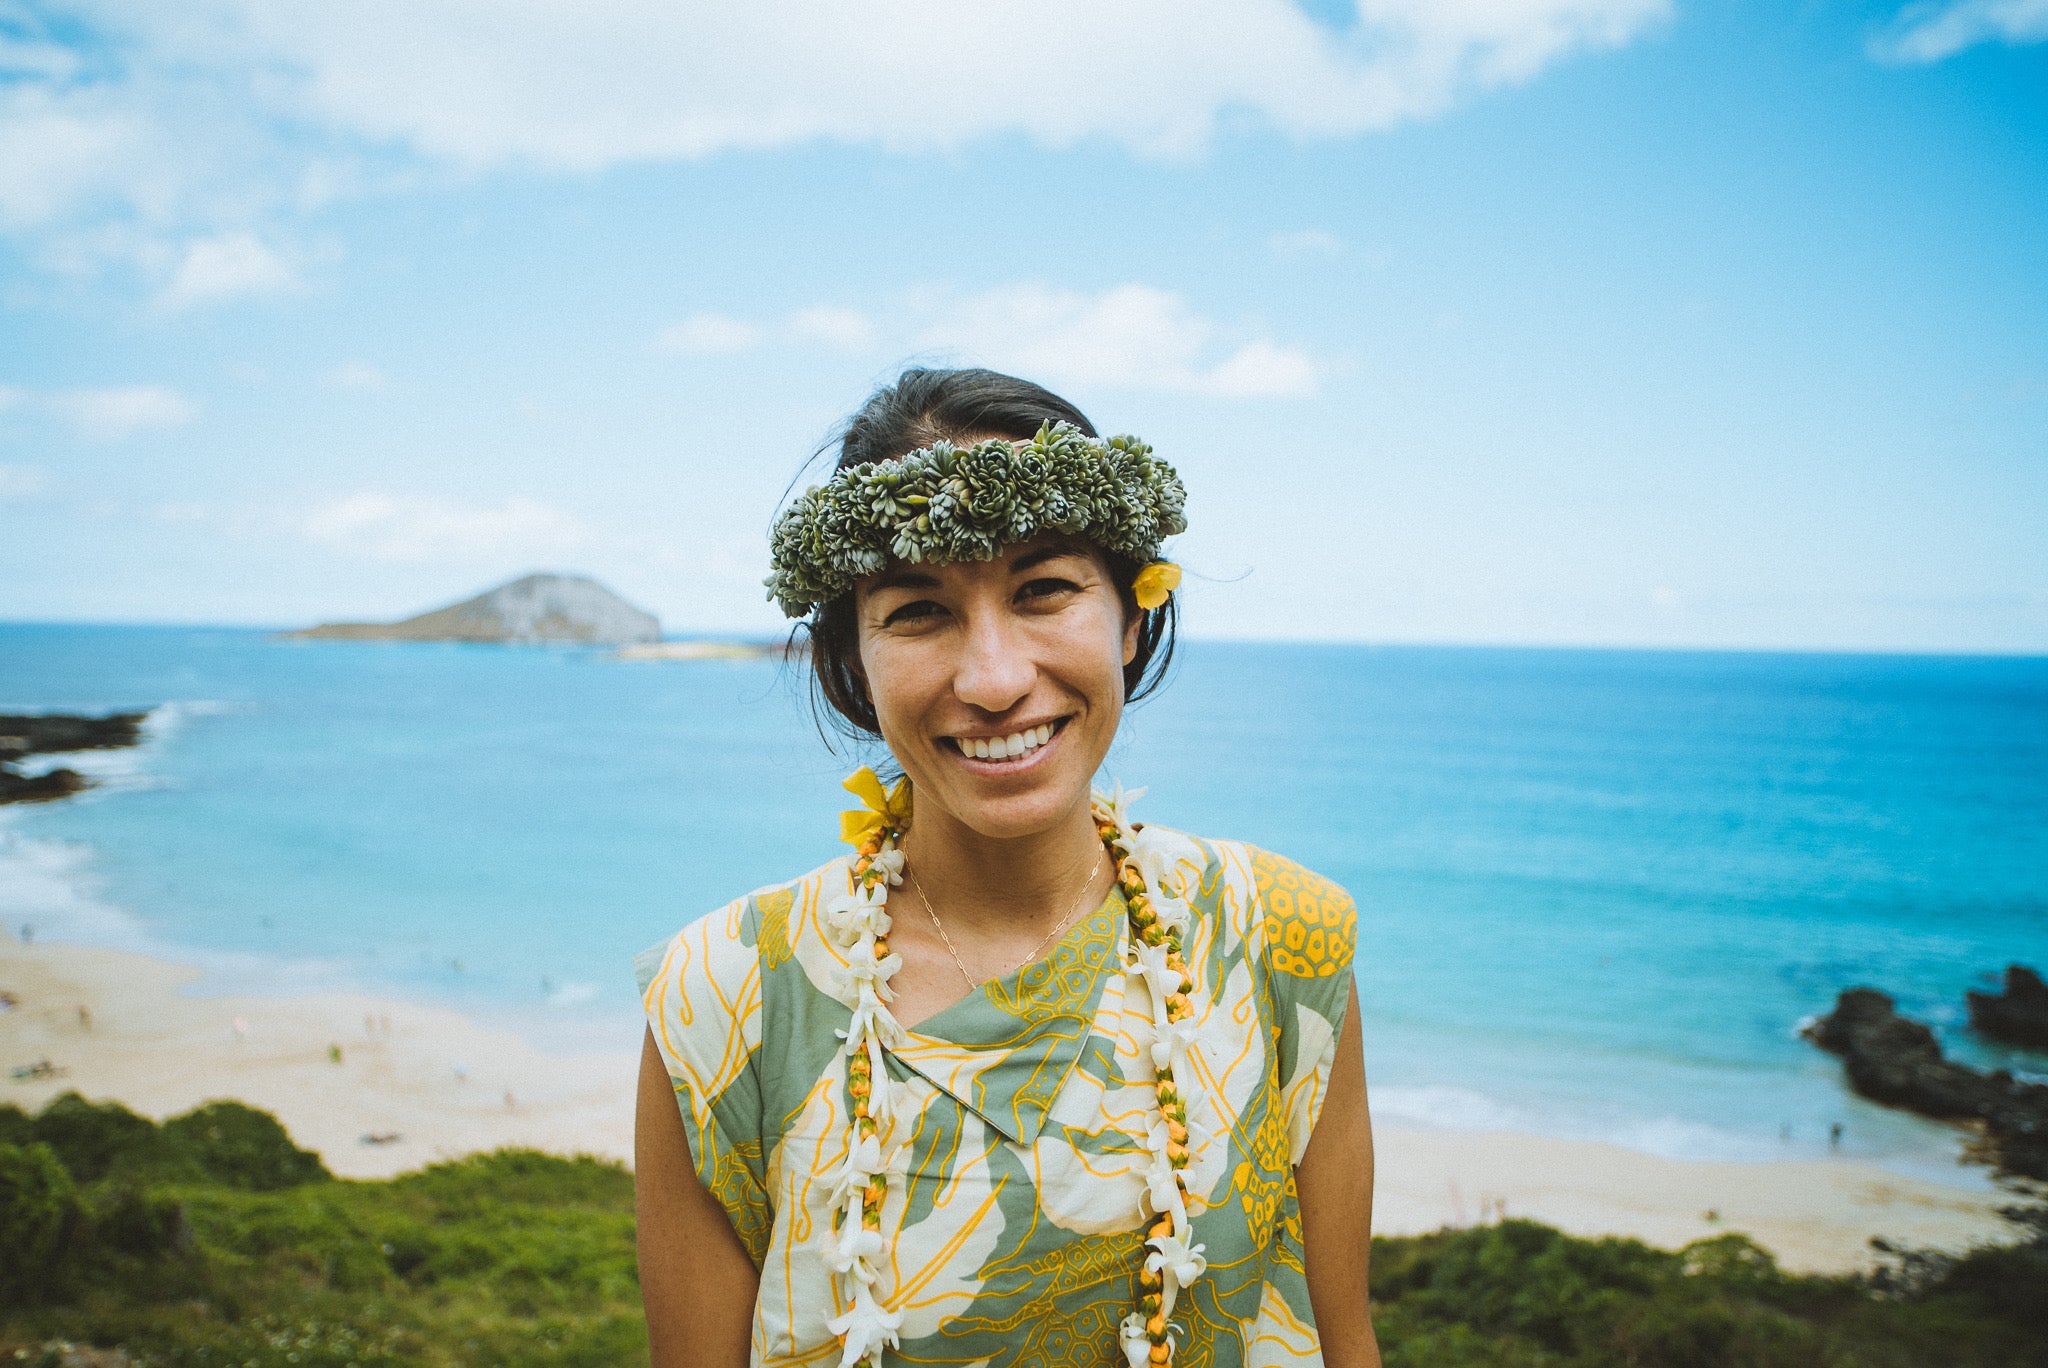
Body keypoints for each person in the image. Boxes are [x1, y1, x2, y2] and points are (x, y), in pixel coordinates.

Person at [634, 368, 1378, 1368]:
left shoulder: (1277, 936)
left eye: (1043, 591)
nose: (991, 680)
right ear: (852, 660)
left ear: (1128, 614)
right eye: (916, 610)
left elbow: (1341, 1339)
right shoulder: (722, 994)